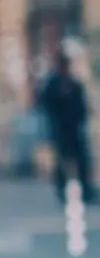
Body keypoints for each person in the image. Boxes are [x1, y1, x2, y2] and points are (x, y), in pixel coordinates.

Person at [39, 50, 96, 204]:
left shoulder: (74, 83)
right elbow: (46, 104)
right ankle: (63, 190)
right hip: (60, 130)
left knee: (81, 160)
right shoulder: (52, 85)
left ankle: (86, 190)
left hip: (74, 129)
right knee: (62, 161)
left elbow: (82, 106)